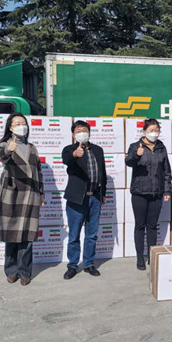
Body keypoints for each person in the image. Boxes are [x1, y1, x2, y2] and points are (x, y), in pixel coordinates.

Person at [0, 113, 44, 286]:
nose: (21, 125)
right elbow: (2, 156)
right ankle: (11, 271)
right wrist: (9, 150)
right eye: (17, 123)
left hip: (30, 194)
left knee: (27, 235)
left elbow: (38, 171)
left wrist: (41, 192)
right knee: (11, 234)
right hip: (12, 194)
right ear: (10, 127)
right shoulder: (5, 144)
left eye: (23, 122)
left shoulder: (32, 147)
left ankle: (25, 272)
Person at [61, 120, 107, 280]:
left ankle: (89, 263)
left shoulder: (98, 150)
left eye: (84, 130)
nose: (82, 133)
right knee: (74, 235)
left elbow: (102, 173)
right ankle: (72, 265)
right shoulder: (69, 149)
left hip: (95, 197)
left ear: (89, 132)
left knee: (92, 234)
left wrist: (103, 193)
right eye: (78, 131)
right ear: (73, 134)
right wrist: (75, 154)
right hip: (77, 199)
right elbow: (66, 160)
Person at [125, 118, 172, 270]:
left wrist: (167, 190)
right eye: (151, 130)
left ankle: (151, 256)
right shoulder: (135, 146)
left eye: (157, 130)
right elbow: (128, 162)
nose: (154, 133)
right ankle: (140, 257)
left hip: (156, 193)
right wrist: (137, 155)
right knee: (140, 225)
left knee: (152, 226)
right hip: (139, 192)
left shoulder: (161, 147)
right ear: (144, 131)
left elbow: (166, 171)